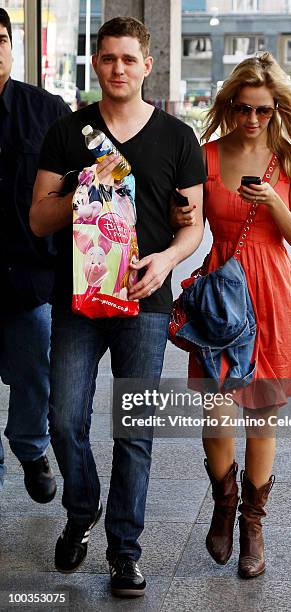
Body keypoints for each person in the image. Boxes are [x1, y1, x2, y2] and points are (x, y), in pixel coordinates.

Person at [30, 17, 205, 598]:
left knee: (136, 431)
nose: (118, 69)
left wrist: (165, 261)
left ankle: (125, 553)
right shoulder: (68, 133)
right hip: (79, 298)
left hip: (146, 300)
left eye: (129, 59)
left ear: (147, 65)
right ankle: (83, 507)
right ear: (96, 63)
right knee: (64, 419)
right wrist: (81, 191)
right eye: (108, 59)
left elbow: (193, 227)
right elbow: (37, 218)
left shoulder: (178, 140)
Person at [173, 52, 291, 579]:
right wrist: (180, 215)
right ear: (228, 106)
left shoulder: (290, 156)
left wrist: (275, 204)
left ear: (277, 109)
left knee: (262, 415)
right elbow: (187, 225)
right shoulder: (206, 157)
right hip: (223, 293)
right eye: (241, 108)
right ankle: (224, 503)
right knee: (216, 411)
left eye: (262, 109)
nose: (251, 119)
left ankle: (254, 524)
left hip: (274, 292)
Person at [0, 9, 70, 501]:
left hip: (28, 276)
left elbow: (88, 175)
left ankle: (29, 447)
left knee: (35, 374)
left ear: (10, 45)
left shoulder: (46, 110)